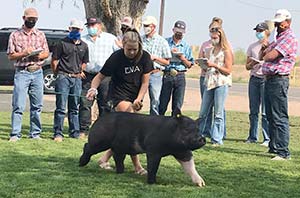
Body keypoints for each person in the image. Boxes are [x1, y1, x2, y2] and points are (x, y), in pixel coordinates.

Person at [86, 28, 153, 174]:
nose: (131, 52)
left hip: (135, 96)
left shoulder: (145, 58)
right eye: (128, 49)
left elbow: (145, 83)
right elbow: (99, 77)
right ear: (123, 45)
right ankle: (137, 167)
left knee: (123, 134)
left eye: (135, 49)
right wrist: (93, 89)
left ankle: (104, 158)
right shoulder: (116, 58)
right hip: (118, 95)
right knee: (132, 127)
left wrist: (139, 99)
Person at [7, 8, 49, 142]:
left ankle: (35, 133)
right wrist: (24, 53)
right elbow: (10, 56)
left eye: (34, 19)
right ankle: (15, 134)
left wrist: (38, 54)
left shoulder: (40, 35)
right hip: (22, 72)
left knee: (37, 106)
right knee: (18, 105)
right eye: (30, 19)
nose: (32, 21)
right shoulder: (15, 35)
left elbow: (46, 53)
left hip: (37, 71)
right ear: (23, 18)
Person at [261, 9, 298, 160]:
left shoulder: (289, 38)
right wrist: (266, 50)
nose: (278, 24)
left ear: (288, 22)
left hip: (278, 79)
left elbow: (269, 56)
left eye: (281, 22)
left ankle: (283, 151)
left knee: (279, 116)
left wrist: (267, 51)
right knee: (270, 115)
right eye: (277, 22)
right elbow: (264, 53)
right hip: (270, 79)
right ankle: (274, 147)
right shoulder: (279, 38)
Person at [79, 17, 119, 139]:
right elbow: (78, 56)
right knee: (85, 103)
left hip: (105, 76)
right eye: (89, 25)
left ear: (99, 25)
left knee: (105, 104)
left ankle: (103, 131)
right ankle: (84, 130)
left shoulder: (110, 39)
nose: (91, 27)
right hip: (88, 75)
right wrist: (79, 69)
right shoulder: (83, 39)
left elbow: (119, 55)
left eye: (93, 25)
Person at [51, 19, 89, 142]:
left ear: (81, 30)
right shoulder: (61, 43)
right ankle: (58, 133)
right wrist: (58, 73)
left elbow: (84, 62)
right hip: (63, 76)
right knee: (61, 107)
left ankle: (74, 132)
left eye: (77, 29)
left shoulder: (84, 45)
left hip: (76, 78)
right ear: (69, 29)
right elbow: (55, 60)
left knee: (74, 107)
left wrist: (79, 71)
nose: (75, 31)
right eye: (73, 28)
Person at [198, 27, 232, 146]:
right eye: (211, 37)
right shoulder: (210, 50)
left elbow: (228, 70)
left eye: (215, 37)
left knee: (218, 112)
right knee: (203, 112)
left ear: (220, 37)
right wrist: (204, 65)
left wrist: (215, 65)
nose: (213, 39)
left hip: (221, 82)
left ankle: (217, 139)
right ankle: (198, 135)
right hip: (210, 81)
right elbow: (208, 66)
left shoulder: (226, 51)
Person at [159, 20, 194, 116]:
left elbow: (190, 64)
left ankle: (174, 128)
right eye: (177, 31)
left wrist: (182, 58)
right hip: (168, 74)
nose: (179, 33)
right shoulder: (165, 42)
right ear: (173, 30)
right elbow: (159, 58)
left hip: (180, 75)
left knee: (177, 106)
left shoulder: (186, 46)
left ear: (184, 32)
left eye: (181, 32)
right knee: (162, 104)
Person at [245, 22, 270, 146]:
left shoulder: (272, 46)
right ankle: (252, 136)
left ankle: (267, 138)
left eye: (261, 31)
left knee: (265, 112)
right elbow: (247, 66)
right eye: (257, 31)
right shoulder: (252, 46)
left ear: (267, 32)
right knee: (253, 110)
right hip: (254, 79)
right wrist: (253, 64)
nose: (258, 33)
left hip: (265, 79)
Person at [141, 16, 172, 115]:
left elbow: (167, 62)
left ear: (153, 27)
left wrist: (155, 58)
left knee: (155, 100)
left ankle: (154, 123)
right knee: (138, 98)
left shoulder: (162, 41)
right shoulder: (140, 40)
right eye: (144, 25)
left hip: (155, 74)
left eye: (147, 26)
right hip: (141, 73)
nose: (145, 27)